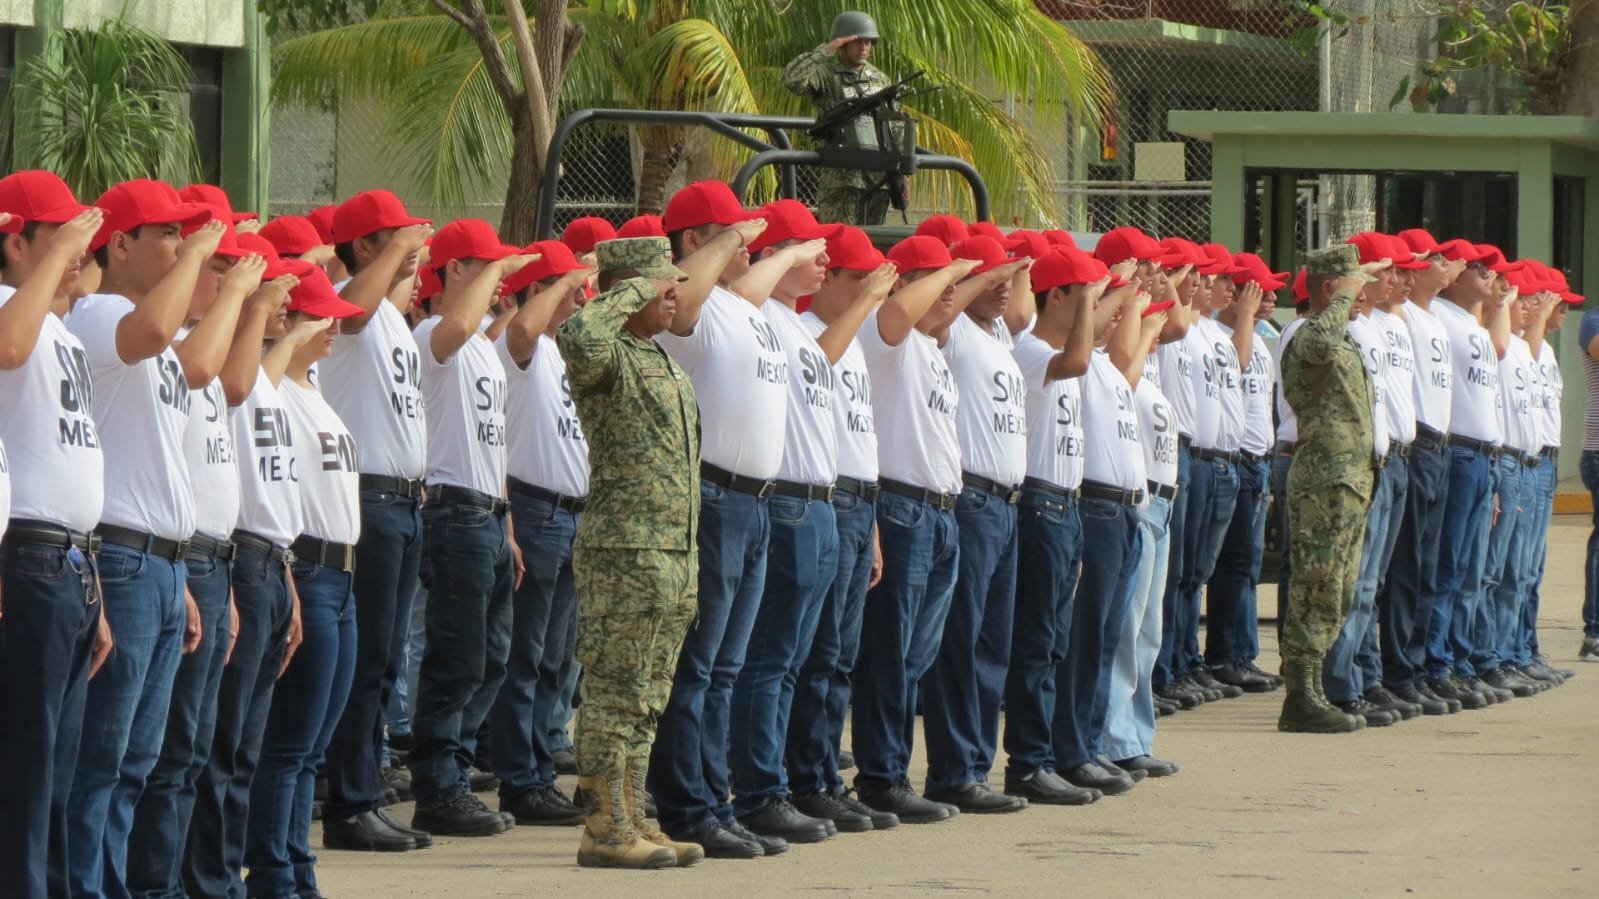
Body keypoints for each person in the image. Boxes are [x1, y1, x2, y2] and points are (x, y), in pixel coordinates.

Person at [66, 181, 219, 899]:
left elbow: (193, 363)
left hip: (158, 562)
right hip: (122, 560)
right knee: (101, 759)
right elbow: (156, 336)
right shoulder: (100, 314)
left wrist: (180, 575)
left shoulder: (149, 325)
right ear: (119, 243)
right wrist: (206, 256)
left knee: (138, 760)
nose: (182, 246)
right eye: (167, 233)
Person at [647, 182, 789, 860]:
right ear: (698, 240)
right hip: (712, 498)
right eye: (730, 233)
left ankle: (714, 798)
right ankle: (688, 807)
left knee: (724, 668)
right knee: (697, 667)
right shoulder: (690, 303)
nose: (749, 244)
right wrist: (727, 238)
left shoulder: (739, 305)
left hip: (753, 502)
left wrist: (779, 248)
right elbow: (680, 293)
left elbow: (756, 276)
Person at [126, 227, 263, 898]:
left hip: (200, 560)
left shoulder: (197, 345)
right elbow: (203, 373)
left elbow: (227, 383)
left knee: (190, 749)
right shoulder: (171, 351)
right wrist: (240, 292)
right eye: (215, 263)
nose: (225, 276)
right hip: (166, 559)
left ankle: (179, 882)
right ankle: (157, 884)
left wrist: (248, 302)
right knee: (155, 754)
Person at [729, 201, 872, 842]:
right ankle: (761, 787)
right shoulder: (757, 311)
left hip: (820, 500)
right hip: (785, 500)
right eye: (809, 248)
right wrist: (781, 252)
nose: (822, 258)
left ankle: (787, 781)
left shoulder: (788, 322)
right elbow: (735, 294)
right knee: (770, 660)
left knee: (793, 660)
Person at [556, 236, 700, 870]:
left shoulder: (661, 359)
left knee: (648, 693)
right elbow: (578, 334)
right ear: (626, 291)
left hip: (673, 551)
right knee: (615, 691)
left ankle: (633, 814)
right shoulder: (606, 356)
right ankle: (604, 827)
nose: (674, 294)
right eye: (662, 284)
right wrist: (633, 287)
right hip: (627, 552)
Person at [849, 237, 984, 824]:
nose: (949, 291)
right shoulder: (889, 337)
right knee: (890, 654)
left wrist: (960, 277)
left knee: (913, 659)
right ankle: (882, 776)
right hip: (902, 509)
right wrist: (948, 266)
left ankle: (893, 769)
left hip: (941, 512)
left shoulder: (930, 346)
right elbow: (900, 310)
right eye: (936, 280)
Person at [0, 173, 107, 899]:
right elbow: (8, 347)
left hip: (72, 558)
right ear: (16, 240)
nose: (78, 251)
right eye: (59, 234)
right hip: (30, 552)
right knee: (27, 767)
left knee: (60, 771)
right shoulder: (11, 305)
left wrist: (92, 589)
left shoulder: (59, 328)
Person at [318, 190, 436, 853]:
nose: (413, 245)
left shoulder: (391, 313)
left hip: (403, 500)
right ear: (365, 245)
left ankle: (364, 793)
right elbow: (350, 312)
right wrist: (394, 249)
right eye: (394, 236)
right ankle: (349, 802)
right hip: (369, 497)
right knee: (365, 662)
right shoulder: (350, 298)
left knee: (385, 660)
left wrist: (403, 259)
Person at [406, 220, 532, 836]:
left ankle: (452, 768)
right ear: (455, 271)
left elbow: (496, 443)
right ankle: (438, 784)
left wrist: (506, 522)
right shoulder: (435, 331)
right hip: (453, 510)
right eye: (485, 267)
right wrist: (494, 279)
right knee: (456, 658)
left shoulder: (481, 344)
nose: (500, 279)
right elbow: (455, 326)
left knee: (492, 656)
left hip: (487, 511)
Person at [245, 264, 366, 899]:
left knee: (312, 745)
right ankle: (276, 876)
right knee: (290, 744)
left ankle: (295, 868)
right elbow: (255, 396)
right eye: (319, 320)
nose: (332, 331)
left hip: (342, 576)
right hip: (310, 569)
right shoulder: (274, 386)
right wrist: (285, 337)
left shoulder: (312, 388)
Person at [186, 255, 303, 897]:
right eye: (233, 269)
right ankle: (208, 879)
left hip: (252, 561)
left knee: (236, 748)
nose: (275, 296)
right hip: (221, 559)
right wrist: (254, 307)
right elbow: (226, 385)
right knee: (209, 749)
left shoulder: (250, 364)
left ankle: (224, 876)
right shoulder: (200, 354)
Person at [785, 225, 896, 826]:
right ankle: (806, 777)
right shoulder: (809, 332)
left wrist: (874, 524)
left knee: (839, 657)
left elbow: (859, 435)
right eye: (855, 278)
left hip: (856, 502)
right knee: (815, 654)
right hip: (822, 500)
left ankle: (824, 772)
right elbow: (818, 360)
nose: (862, 288)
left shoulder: (846, 339)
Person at [485, 240, 595, 826]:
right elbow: (522, 329)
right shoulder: (521, 346)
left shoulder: (560, 352)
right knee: (525, 655)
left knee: (556, 657)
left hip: (572, 512)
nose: (580, 297)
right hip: (535, 510)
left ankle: (539, 767)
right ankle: (521, 779)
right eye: (568, 288)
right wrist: (556, 279)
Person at [921, 235, 1031, 815]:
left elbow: (1022, 308)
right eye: (992, 278)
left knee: (991, 645)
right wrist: (972, 271)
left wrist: (1013, 270)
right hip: (972, 500)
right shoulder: (953, 326)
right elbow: (937, 305)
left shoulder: (1000, 333)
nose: (1004, 287)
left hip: (1006, 505)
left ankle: (974, 765)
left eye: (1009, 278)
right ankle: (953, 769)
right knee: (960, 646)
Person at [1001, 250, 1099, 806]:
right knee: (1036, 644)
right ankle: (1028, 761)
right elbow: (1078, 361)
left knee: (1057, 643)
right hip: (1039, 502)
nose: (1093, 301)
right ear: (1056, 294)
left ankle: (1054, 753)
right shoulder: (1032, 349)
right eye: (1080, 291)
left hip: (1067, 503)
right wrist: (1086, 297)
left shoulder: (1054, 351)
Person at [1054, 258, 1154, 794]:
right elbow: (1091, 328)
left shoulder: (1108, 367)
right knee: (1085, 636)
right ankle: (1070, 749)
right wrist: (1123, 291)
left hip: (1123, 509)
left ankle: (1088, 743)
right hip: (1092, 505)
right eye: (1108, 306)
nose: (1122, 317)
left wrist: (1132, 299)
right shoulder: (1078, 359)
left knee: (1106, 637)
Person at [1276, 244, 1382, 734]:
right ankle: (1300, 694)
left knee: (1338, 589)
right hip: (1325, 479)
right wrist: (1341, 300)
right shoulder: (1308, 331)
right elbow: (1317, 345)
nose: (1362, 296)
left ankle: (1314, 688)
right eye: (1352, 287)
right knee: (1315, 586)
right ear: (1327, 287)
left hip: (1350, 478)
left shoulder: (1345, 336)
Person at [1321, 236, 1405, 727]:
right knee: (1346, 585)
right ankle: (1338, 683)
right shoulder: (1326, 331)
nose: (1391, 281)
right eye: (1380, 273)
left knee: (1369, 584)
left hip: (1383, 460)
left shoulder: (1376, 328)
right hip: (1346, 468)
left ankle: (1360, 676)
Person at [1380, 230, 1463, 713]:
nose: (1440, 264)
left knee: (1427, 567)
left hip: (1441, 444)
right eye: (1428, 259)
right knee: (1406, 566)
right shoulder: (1401, 315)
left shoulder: (1431, 318)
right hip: (1417, 443)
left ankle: (1418, 663)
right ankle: (1399, 669)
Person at [1425, 240, 1509, 709]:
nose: (1490, 278)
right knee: (1448, 566)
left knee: (1467, 570)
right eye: (1479, 269)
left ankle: (1455, 658)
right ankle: (1437, 663)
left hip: (1483, 456)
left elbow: (1495, 350)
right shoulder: (1438, 316)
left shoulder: (1468, 323)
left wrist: (1498, 302)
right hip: (1455, 452)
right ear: (1453, 275)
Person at [1204, 256, 1278, 693]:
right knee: (1233, 565)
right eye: (1256, 291)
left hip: (1256, 459)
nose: (1268, 299)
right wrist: (1245, 317)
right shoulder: (1224, 334)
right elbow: (1239, 362)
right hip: (1238, 459)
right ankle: (1227, 655)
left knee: (1245, 564)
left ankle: (1241, 653)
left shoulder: (1259, 334)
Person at [782, 11, 900, 226]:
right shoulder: (826, 75)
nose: (863, 47)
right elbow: (792, 79)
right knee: (837, 245)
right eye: (856, 42)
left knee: (872, 247)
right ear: (843, 43)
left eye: (868, 42)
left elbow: (894, 126)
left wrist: (901, 174)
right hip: (841, 178)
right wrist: (828, 49)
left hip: (878, 179)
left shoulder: (881, 79)